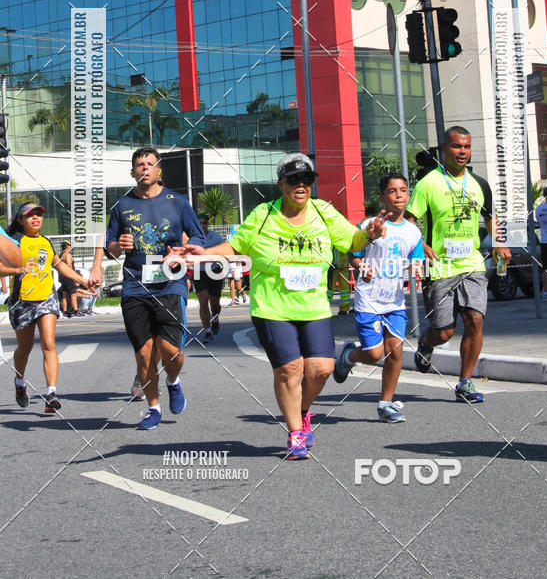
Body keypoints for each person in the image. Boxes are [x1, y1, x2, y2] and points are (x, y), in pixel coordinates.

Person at [181, 153, 389, 460]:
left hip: (314, 305)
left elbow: (351, 240)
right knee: (290, 369)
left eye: (307, 180)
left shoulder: (324, 212)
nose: (301, 185)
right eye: (294, 180)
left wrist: (368, 234)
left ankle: (302, 410)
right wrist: (201, 255)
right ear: (281, 184)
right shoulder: (264, 214)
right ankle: (295, 434)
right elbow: (235, 247)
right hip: (272, 306)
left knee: (321, 369)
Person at [407, 127, 511, 404]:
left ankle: (465, 382)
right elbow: (409, 220)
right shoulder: (428, 183)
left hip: (472, 263)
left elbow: (490, 217)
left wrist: (500, 242)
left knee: (475, 320)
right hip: (439, 266)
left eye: (466, 146)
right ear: (444, 149)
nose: (462, 151)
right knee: (444, 331)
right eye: (456, 147)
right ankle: (426, 344)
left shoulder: (479, 184)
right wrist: (420, 246)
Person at [105, 146, 205, 430]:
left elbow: (197, 234)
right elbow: (110, 246)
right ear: (133, 171)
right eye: (139, 164)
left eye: (150, 163)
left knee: (171, 349)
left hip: (170, 282)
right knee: (145, 353)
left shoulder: (177, 202)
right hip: (135, 285)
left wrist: (183, 251)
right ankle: (153, 407)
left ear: (159, 170)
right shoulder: (122, 206)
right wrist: (117, 246)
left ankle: (173, 380)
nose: (145, 168)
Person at [334, 174, 424, 422]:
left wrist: (417, 269)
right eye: (392, 191)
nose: (399, 195)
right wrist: (363, 267)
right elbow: (353, 255)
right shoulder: (369, 225)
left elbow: (417, 263)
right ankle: (349, 356)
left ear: (408, 196)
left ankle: (386, 404)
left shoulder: (413, 232)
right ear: (383, 196)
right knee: (374, 354)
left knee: (395, 352)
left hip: (394, 301)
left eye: (403, 190)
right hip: (369, 300)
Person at [4, 203, 91, 413]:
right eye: (30, 215)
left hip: (46, 299)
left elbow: (59, 265)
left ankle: (51, 393)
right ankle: (20, 381)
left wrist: (82, 280)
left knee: (49, 343)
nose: (36, 218)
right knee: (24, 348)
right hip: (22, 301)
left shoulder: (46, 242)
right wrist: (17, 269)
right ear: (20, 220)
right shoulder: (13, 242)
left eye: (38, 215)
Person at [191, 213, 225, 341]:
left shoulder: (215, 237)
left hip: (214, 270)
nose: (202, 225)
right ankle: (207, 331)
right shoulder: (192, 238)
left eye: (204, 223)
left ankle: (215, 317)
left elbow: (223, 252)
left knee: (215, 303)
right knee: (203, 301)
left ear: (208, 225)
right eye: (199, 223)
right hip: (199, 271)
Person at [57, 242, 91, 317]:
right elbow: (69, 265)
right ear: (66, 247)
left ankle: (65, 312)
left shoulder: (60, 256)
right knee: (73, 294)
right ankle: (76, 311)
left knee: (64, 295)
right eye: (69, 246)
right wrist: (73, 276)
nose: (70, 247)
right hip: (68, 276)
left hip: (62, 276)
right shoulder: (68, 255)